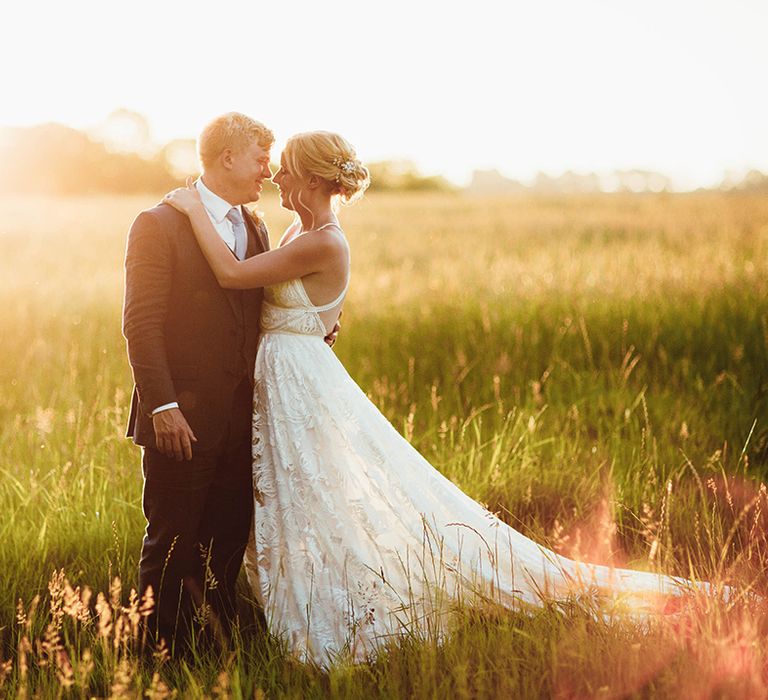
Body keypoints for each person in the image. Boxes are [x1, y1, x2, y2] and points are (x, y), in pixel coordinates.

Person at [162, 130, 722, 667]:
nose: (276, 177)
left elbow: (235, 276)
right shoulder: (293, 231)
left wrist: (190, 209)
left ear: (309, 179)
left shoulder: (323, 241)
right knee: (299, 495)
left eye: (284, 169)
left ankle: (340, 602)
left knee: (319, 493)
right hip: (285, 376)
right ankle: (293, 591)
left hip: (302, 380)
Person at [122, 113, 338, 654]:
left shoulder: (256, 225)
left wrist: (317, 324)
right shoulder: (159, 223)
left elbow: (263, 302)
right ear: (227, 158)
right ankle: (154, 654)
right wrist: (162, 406)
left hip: (246, 415)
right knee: (171, 538)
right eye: (262, 158)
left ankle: (212, 644)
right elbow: (140, 323)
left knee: (224, 540)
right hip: (181, 416)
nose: (269, 171)